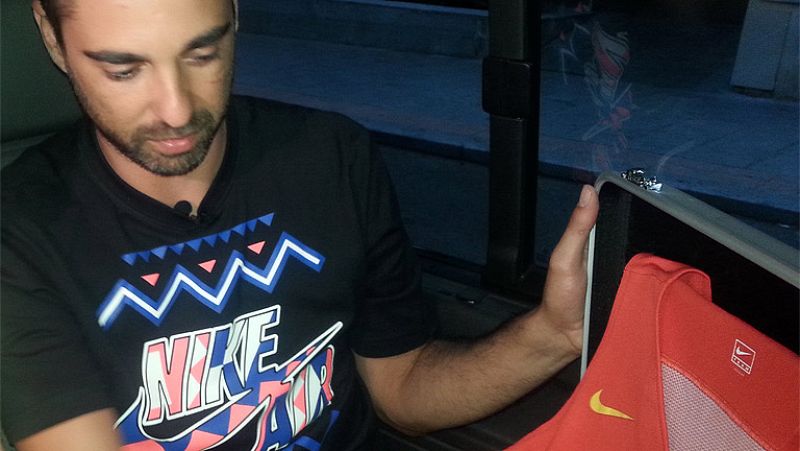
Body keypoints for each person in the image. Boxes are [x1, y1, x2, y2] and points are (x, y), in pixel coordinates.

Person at [0, 0, 599, 450]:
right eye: (124, 70)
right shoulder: (21, 233)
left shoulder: (331, 158)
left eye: (203, 54)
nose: (176, 110)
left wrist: (555, 332)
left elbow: (403, 389)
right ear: (52, 37)